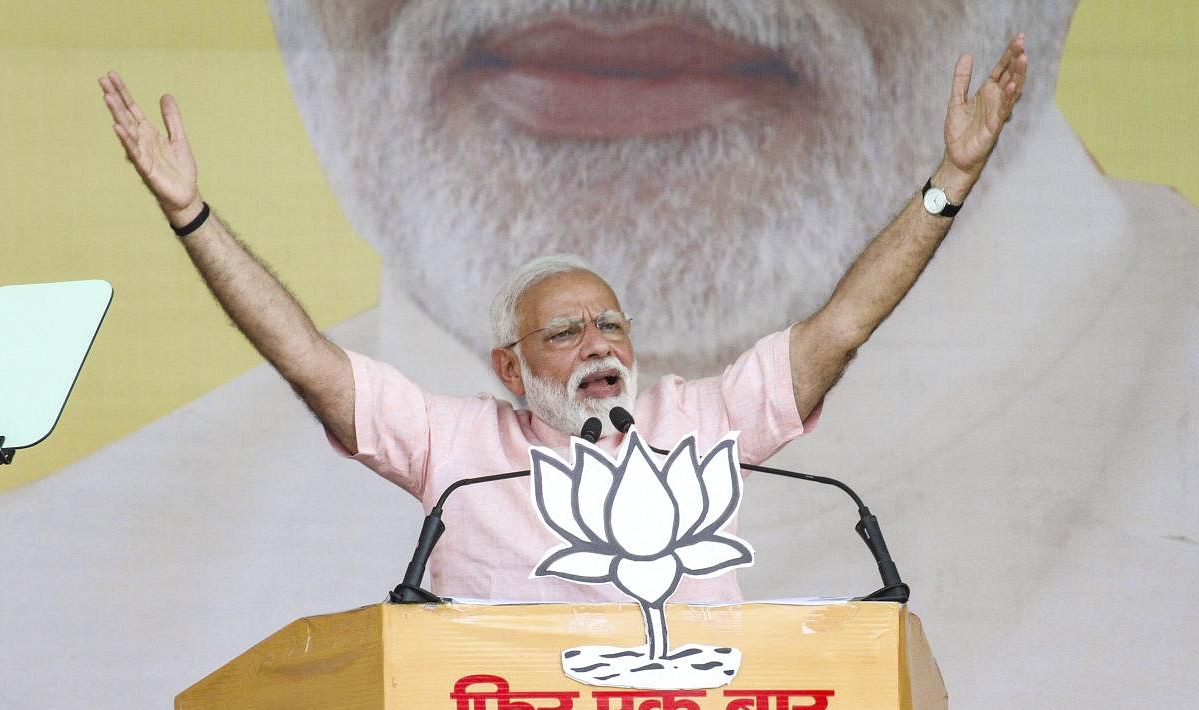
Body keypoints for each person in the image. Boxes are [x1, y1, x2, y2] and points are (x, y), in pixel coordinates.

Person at [97, 35, 1025, 600]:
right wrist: (192, 215)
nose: (599, 347)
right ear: (512, 369)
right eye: (567, 333)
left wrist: (952, 180)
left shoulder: (701, 424)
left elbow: (844, 325)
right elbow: (305, 360)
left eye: (610, 326)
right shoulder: (453, 447)